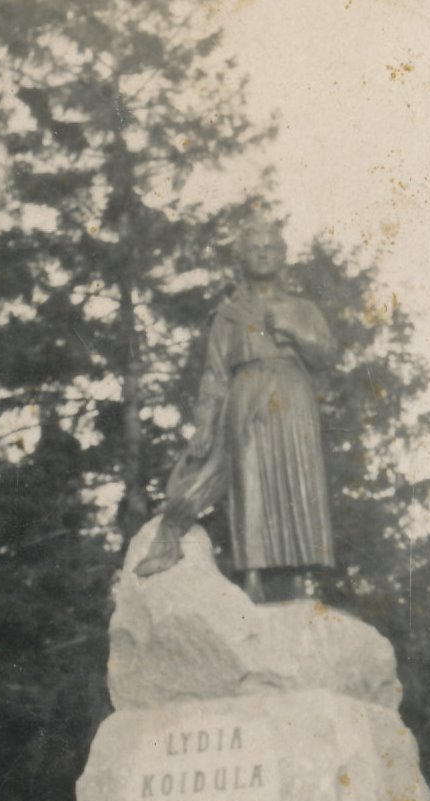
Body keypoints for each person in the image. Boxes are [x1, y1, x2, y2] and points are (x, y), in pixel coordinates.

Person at [135, 220, 336, 601]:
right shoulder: (228, 314)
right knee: (251, 480)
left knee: (296, 476)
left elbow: (326, 354)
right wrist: (204, 425)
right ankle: (254, 576)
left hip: (293, 394)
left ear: (282, 256)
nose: (262, 253)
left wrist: (295, 331)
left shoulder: (302, 308)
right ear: (241, 259)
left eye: (269, 247)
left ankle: (298, 575)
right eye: (254, 247)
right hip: (246, 394)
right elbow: (214, 374)